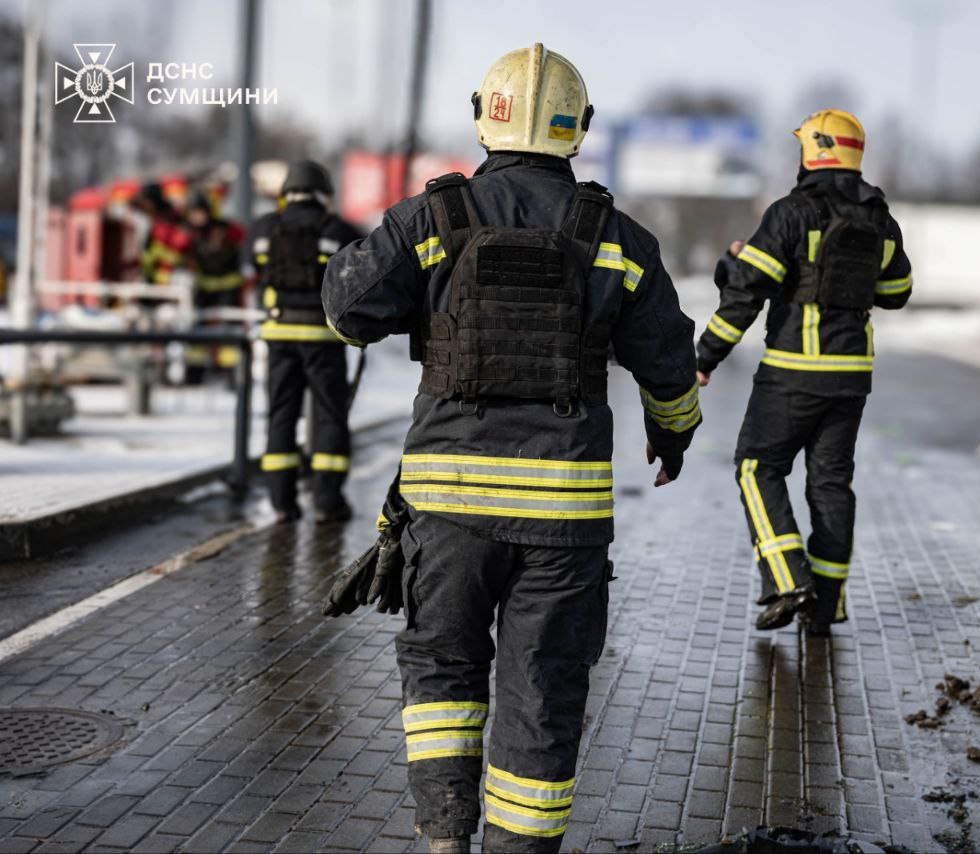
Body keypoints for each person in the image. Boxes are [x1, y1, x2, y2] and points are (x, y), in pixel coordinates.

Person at [322, 43, 700, 854]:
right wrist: (673, 434)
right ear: (581, 129)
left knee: (443, 679)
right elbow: (669, 364)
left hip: (446, 510)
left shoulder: (435, 220)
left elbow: (348, 309)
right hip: (562, 525)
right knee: (543, 694)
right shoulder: (615, 238)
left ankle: (443, 840)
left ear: (481, 118)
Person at [695, 109, 913, 635]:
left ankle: (788, 578)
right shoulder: (880, 219)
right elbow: (897, 293)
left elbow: (747, 293)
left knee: (756, 467)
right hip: (851, 377)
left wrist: (704, 358)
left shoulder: (791, 213)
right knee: (832, 485)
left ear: (812, 152)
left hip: (792, 373)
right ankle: (827, 605)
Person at [245, 160, 362, 522]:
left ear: (285, 194)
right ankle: (328, 502)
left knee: (281, 415)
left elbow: (252, 266)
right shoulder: (337, 228)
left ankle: (282, 502)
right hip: (323, 337)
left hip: (278, 336)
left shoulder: (264, 229)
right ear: (323, 194)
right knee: (330, 415)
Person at [186, 191, 246, 382]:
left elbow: (245, 240)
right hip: (203, 291)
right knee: (199, 332)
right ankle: (195, 373)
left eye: (199, 212)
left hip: (228, 290)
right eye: (192, 213)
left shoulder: (226, 229)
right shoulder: (192, 233)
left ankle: (230, 374)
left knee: (229, 332)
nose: (196, 217)